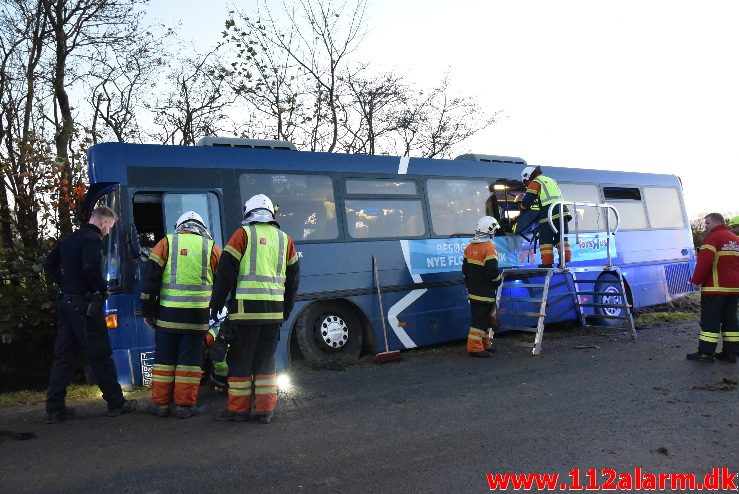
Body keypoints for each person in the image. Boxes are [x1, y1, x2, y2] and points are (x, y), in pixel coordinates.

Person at [210, 194, 300, 423]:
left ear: (248, 212)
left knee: (241, 361)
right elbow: (293, 281)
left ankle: (238, 411)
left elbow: (224, 274)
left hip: (245, 313)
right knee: (266, 361)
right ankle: (265, 411)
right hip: (273, 314)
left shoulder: (243, 234)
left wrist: (216, 305)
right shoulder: (285, 239)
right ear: (271, 214)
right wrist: (286, 311)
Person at [42, 206, 137, 423]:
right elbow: (89, 269)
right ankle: (116, 403)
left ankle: (54, 409)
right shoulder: (93, 240)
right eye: (110, 227)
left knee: (63, 357)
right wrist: (101, 290)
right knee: (100, 355)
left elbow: (49, 263)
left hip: (66, 303)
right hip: (83, 306)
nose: (108, 231)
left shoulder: (72, 238)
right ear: (103, 222)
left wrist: (65, 285)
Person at [140, 211, 222, 418]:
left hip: (167, 316)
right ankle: (184, 406)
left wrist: (148, 312)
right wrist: (217, 308)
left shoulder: (165, 244)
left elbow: (150, 281)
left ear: (180, 226)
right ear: (201, 227)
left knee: (164, 361)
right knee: (190, 363)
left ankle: (160, 404)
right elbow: (223, 282)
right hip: (197, 318)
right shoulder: (212, 248)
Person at [687, 213, 739, 362]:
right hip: (734, 288)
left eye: (707, 223)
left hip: (715, 288)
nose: (706, 226)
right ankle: (731, 353)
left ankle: (706, 353)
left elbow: (704, 262)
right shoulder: (735, 239)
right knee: (731, 320)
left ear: (716, 222)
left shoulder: (712, 238)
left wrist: (696, 280)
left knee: (711, 320)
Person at [463, 216, 503, 358]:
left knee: (484, 320)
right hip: (485, 292)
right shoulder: (489, 248)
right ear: (490, 231)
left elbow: (465, 272)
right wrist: (498, 280)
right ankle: (474, 348)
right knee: (480, 322)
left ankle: (485, 345)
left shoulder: (469, 248)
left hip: (473, 292)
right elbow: (492, 272)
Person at [518, 165, 571, 268]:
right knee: (561, 238)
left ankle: (547, 264)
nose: (527, 184)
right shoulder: (551, 180)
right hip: (562, 211)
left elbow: (528, 200)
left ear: (528, 176)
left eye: (526, 182)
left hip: (549, 213)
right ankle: (564, 261)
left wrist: (522, 209)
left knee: (545, 238)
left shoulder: (535, 182)